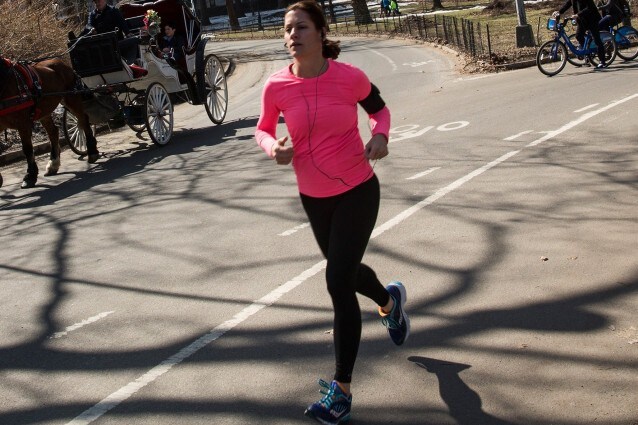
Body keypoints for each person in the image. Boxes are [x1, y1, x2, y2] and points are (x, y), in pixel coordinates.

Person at [254, 1, 409, 424]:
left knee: (337, 281)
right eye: (287, 29)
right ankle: (388, 300)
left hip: (359, 189)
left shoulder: (350, 77)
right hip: (314, 196)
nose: (292, 35)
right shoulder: (276, 87)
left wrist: (381, 136)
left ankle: (340, 389)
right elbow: (264, 129)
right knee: (347, 270)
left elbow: (379, 110)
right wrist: (274, 148)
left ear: (321, 33)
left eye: (301, 27)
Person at [554, 0, 608, 68]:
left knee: (596, 39)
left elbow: (590, 7)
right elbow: (569, 3)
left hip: (592, 19)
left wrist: (578, 14)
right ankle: (587, 54)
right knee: (578, 36)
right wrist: (559, 11)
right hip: (582, 20)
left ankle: (602, 62)